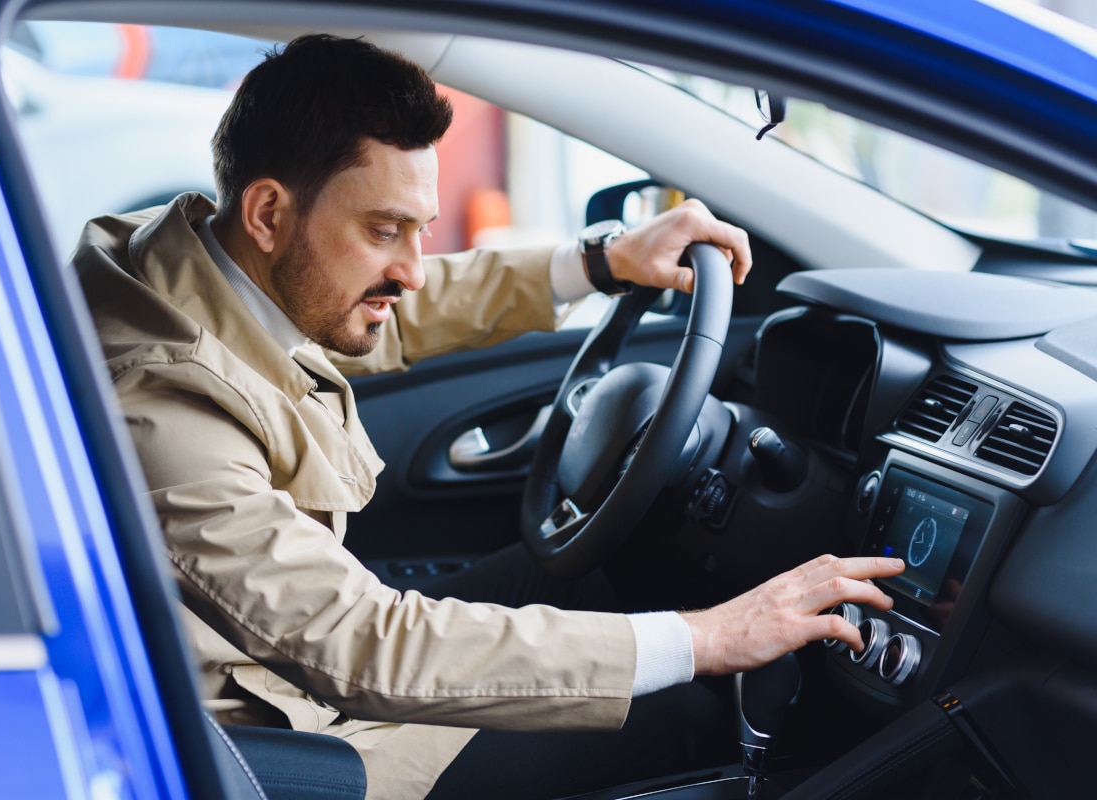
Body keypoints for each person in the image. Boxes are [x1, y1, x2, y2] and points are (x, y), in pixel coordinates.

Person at [73, 33, 904, 800]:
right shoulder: (160, 403)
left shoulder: (194, 261)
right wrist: (706, 638)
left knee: (574, 577)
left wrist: (603, 261)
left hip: (280, 669)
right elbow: (359, 645)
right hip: (282, 745)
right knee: (687, 711)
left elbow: (396, 307)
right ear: (267, 212)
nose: (411, 270)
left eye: (420, 230)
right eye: (384, 231)